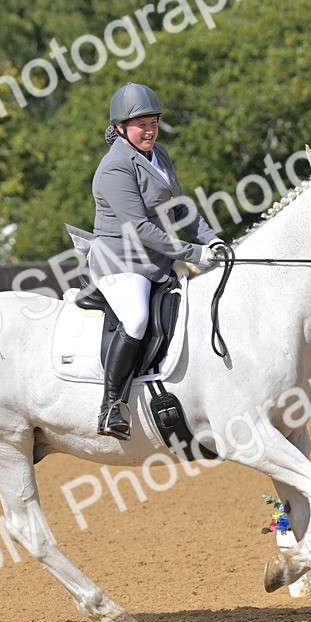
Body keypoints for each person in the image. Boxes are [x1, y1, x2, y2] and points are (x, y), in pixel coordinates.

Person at [89, 83, 227, 440]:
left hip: (158, 258)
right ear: (120, 127)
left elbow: (178, 207)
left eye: (154, 123)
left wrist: (211, 238)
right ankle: (111, 406)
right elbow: (139, 228)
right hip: (120, 260)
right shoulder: (115, 168)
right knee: (136, 318)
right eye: (141, 125)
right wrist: (195, 253)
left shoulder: (158, 154)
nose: (150, 131)